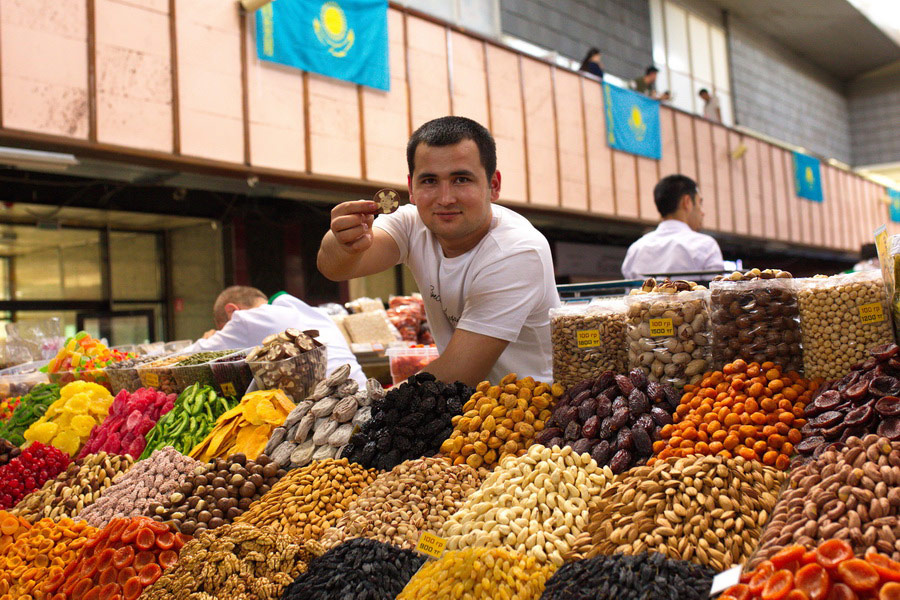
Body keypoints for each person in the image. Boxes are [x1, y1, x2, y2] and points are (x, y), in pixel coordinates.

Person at [318, 116, 560, 386]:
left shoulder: (517, 251)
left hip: (534, 414)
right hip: (465, 411)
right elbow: (334, 268)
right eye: (430, 181)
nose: (445, 198)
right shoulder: (412, 224)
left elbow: (458, 372)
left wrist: (369, 407)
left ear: (493, 185)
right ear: (411, 188)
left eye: (461, 179)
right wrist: (342, 242)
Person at [184, 286, 366, 385]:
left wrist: (208, 339)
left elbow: (190, 356)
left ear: (231, 310)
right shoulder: (314, 312)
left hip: (331, 412)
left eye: (225, 328)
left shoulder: (246, 320)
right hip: (365, 397)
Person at [621, 174, 724, 280]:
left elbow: (629, 294)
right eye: (700, 203)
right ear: (687, 202)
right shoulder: (705, 245)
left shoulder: (635, 249)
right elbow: (716, 292)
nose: (703, 212)